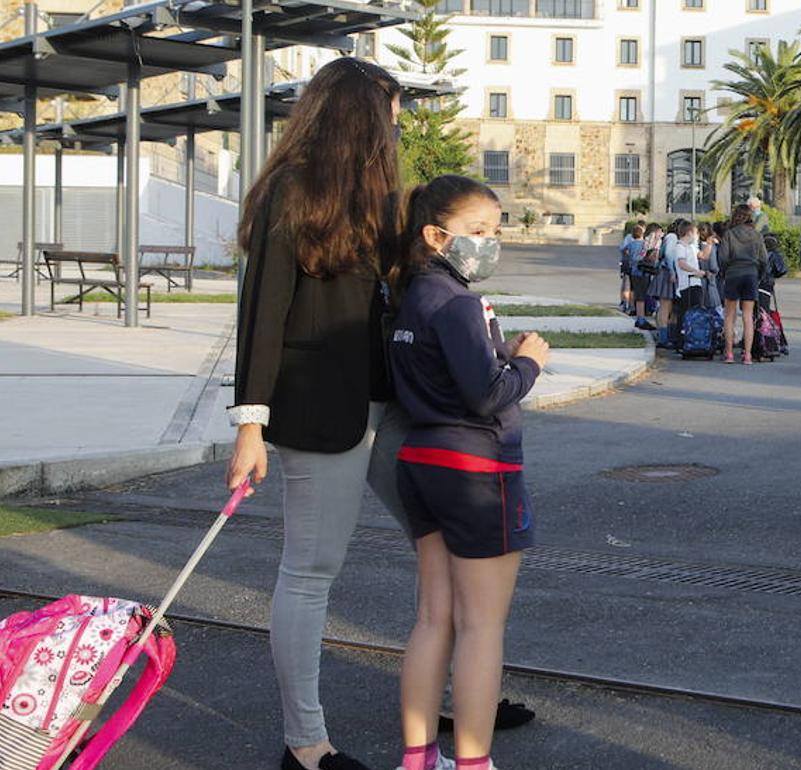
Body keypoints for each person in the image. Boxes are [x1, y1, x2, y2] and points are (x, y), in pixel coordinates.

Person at [225, 58, 414, 770]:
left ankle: (453, 692)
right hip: (313, 410)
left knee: (446, 537)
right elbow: (262, 311)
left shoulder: (373, 195)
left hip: (384, 404)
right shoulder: (293, 189)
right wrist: (250, 423)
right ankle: (304, 746)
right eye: (390, 113)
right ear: (361, 116)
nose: (396, 127)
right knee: (310, 570)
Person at [388, 175, 550, 770]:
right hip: (477, 468)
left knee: (434, 616)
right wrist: (528, 364)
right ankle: (474, 762)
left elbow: (440, 373)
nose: (488, 243)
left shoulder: (413, 297)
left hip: (423, 461)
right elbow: (486, 394)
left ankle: (418, 756)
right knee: (482, 626)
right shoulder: (458, 302)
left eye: (494, 232)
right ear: (436, 235)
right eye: (477, 232)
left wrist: (499, 357)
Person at [719, 205, 767, 365]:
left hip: (733, 274)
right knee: (747, 316)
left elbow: (723, 258)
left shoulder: (729, 234)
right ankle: (747, 355)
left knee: (729, 315)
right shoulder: (756, 235)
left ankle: (730, 353)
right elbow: (764, 259)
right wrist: (758, 274)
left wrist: (725, 273)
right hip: (751, 274)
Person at [649, 220, 683, 348]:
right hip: (667, 274)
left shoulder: (670, 237)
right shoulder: (672, 237)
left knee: (672, 307)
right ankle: (664, 337)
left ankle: (669, 335)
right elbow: (669, 254)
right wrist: (672, 271)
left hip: (668, 273)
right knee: (666, 306)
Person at [672, 221, 705, 341]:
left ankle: (695, 337)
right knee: (687, 312)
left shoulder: (691, 247)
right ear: (689, 232)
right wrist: (695, 272)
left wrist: (709, 244)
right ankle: (683, 339)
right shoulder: (680, 247)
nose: (696, 236)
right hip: (687, 284)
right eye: (695, 233)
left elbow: (702, 255)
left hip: (696, 283)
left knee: (697, 311)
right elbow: (682, 263)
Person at [632, 223, 662, 331]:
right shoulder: (644, 244)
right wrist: (647, 255)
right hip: (640, 273)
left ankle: (641, 318)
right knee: (640, 296)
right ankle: (640, 319)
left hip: (642, 272)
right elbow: (637, 258)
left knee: (642, 296)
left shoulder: (646, 243)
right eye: (659, 232)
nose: (661, 234)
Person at [619, 224, 644, 314]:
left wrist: (629, 256)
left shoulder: (630, 244)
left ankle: (629, 305)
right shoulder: (643, 244)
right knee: (638, 290)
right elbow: (644, 254)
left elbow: (623, 250)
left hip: (632, 268)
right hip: (641, 269)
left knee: (630, 287)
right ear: (642, 234)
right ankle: (637, 307)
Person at [697, 222, 721, 310]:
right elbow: (713, 265)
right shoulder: (712, 246)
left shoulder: (696, 246)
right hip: (709, 279)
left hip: (697, 278)